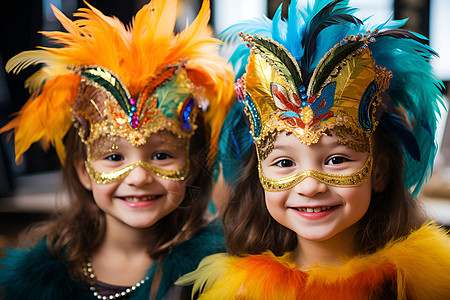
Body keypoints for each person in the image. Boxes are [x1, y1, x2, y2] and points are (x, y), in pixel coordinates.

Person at [177, 0, 450, 298]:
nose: (310, 186)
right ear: (258, 172)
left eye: (336, 159)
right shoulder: (241, 292)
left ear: (380, 170)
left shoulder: (423, 286)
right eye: (284, 163)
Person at [0, 0, 234, 299]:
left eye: (161, 156)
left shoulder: (213, 275)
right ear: (84, 170)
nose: (138, 178)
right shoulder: (34, 282)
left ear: (192, 165)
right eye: (114, 156)